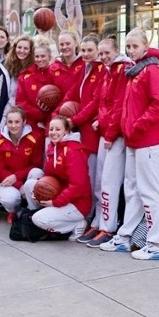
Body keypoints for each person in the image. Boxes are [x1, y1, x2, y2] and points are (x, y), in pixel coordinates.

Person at [100, 28, 159, 260]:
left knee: (151, 191)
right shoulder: (136, 70)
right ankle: (126, 236)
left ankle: (157, 242)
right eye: (128, 46)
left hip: (147, 141)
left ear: (145, 45)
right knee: (133, 189)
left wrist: (135, 126)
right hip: (135, 140)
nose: (131, 50)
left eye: (135, 46)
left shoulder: (151, 70)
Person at [77, 35, 132, 247]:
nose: (103, 57)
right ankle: (99, 222)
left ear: (116, 51)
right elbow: (103, 102)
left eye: (106, 53)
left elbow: (119, 105)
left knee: (109, 182)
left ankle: (108, 228)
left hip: (114, 135)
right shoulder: (108, 71)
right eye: (101, 54)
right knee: (100, 180)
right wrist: (101, 120)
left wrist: (109, 132)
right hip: (106, 132)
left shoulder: (121, 71)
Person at [21, 116, 90, 240]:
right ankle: (37, 214)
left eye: (58, 129)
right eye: (51, 129)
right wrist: (41, 191)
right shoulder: (53, 147)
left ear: (67, 131)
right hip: (60, 194)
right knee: (30, 185)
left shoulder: (73, 151)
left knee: (39, 219)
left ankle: (75, 225)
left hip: (77, 204)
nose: (53, 132)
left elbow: (78, 186)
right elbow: (50, 177)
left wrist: (55, 202)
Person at [56, 34, 103, 198]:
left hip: (93, 130)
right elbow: (72, 93)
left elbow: (95, 103)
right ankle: (87, 212)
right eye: (83, 50)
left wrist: (73, 120)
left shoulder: (102, 69)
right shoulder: (84, 68)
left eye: (90, 50)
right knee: (83, 175)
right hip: (82, 129)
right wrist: (58, 116)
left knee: (96, 177)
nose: (86, 54)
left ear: (98, 51)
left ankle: (95, 215)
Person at [0, 105, 44, 223]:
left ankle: (31, 210)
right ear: (6, 123)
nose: (13, 125)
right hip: (8, 180)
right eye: (10, 122)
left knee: (37, 172)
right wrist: (18, 184)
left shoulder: (35, 138)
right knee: (9, 200)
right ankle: (14, 211)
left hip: (25, 177)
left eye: (17, 122)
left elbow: (36, 164)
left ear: (24, 122)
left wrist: (17, 177)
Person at [15, 43, 53, 130]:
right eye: (37, 56)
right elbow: (21, 102)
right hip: (31, 123)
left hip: (53, 123)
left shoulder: (56, 74)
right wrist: (40, 114)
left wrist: (48, 114)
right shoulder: (25, 76)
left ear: (49, 57)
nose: (40, 59)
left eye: (43, 56)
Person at [0, 35, 35, 119]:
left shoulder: (34, 68)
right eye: (19, 47)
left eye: (26, 48)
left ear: (31, 51)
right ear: (14, 48)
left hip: (27, 112)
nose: (22, 51)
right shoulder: (6, 67)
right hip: (10, 110)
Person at [48, 31, 84, 95]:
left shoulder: (85, 65)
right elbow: (48, 91)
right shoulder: (53, 68)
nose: (64, 47)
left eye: (68, 43)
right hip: (60, 105)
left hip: (80, 104)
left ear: (75, 43)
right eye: (61, 44)